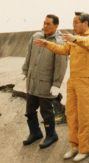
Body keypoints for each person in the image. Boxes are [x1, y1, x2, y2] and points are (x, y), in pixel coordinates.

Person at [33, 12, 89, 162]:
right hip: (74, 81)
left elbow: (88, 42)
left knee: (84, 117)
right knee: (71, 115)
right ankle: (74, 145)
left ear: (85, 23)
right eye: (73, 23)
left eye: (76, 23)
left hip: (87, 81)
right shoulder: (74, 40)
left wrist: (75, 38)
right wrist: (47, 44)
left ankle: (85, 149)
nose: (74, 26)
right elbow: (63, 50)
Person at [21, 14, 68, 149]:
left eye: (48, 24)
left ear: (56, 26)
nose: (45, 26)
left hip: (46, 84)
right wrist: (24, 71)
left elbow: (61, 65)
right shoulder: (36, 37)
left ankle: (51, 135)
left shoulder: (59, 42)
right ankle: (35, 132)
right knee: (30, 110)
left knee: (46, 112)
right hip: (32, 82)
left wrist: (56, 84)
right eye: (44, 23)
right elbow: (28, 55)